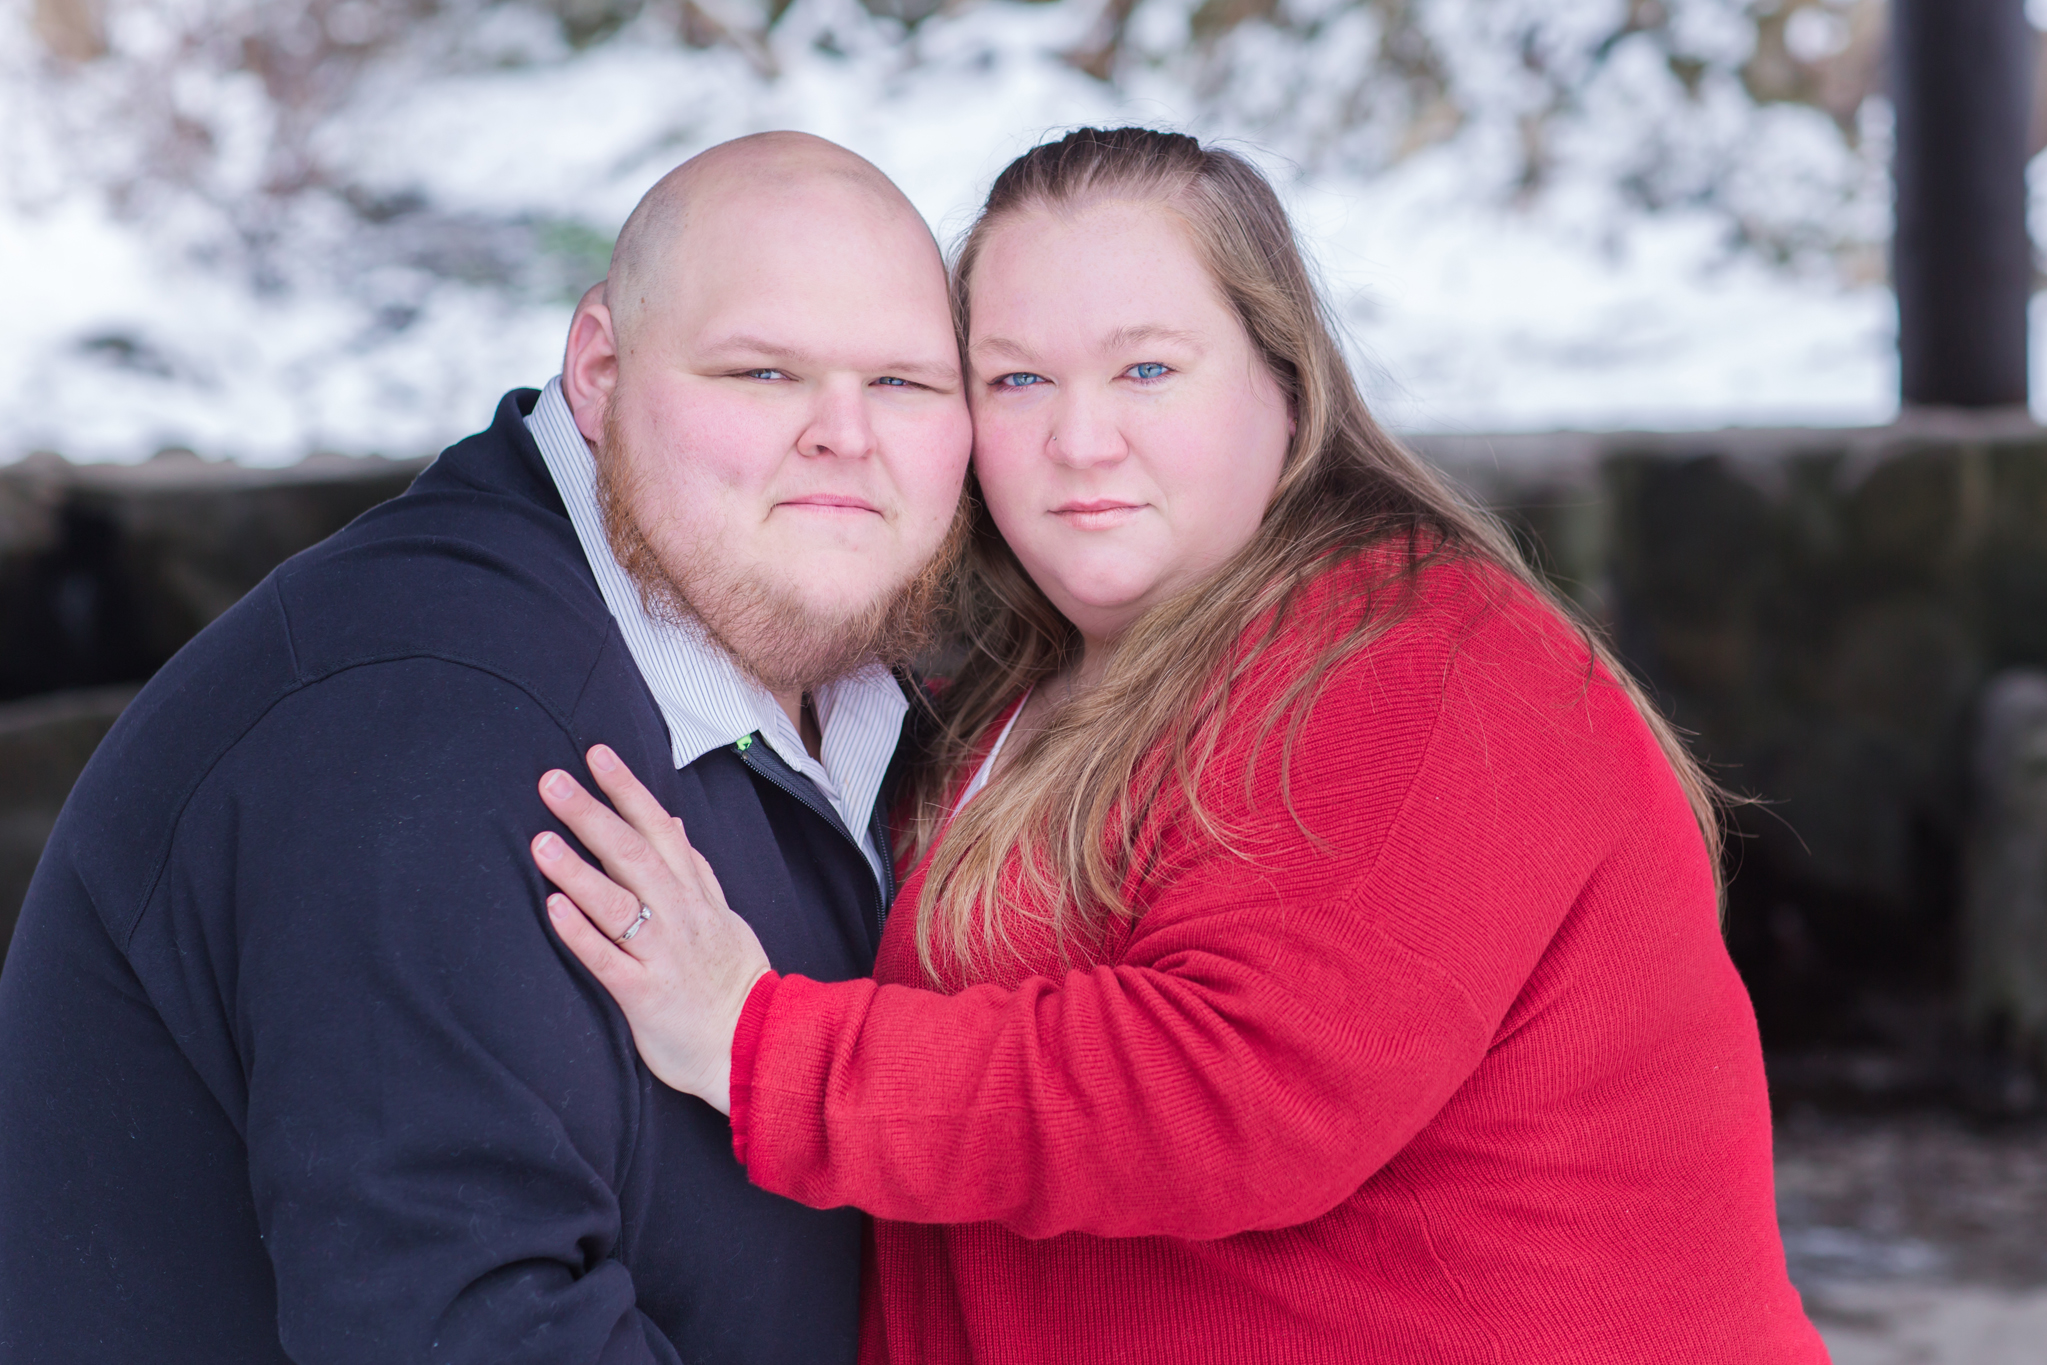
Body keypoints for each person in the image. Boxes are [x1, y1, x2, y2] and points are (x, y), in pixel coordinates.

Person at [532, 128, 1829, 1363]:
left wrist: (755, 1043)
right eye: (1016, 379)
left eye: (1145, 369)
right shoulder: (1021, 687)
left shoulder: (1420, 664)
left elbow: (1229, 1092)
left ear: (1285, 386)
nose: (1078, 439)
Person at [0, 132, 970, 1364]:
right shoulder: (424, 731)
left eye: (905, 383)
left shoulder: (852, 674)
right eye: (763, 372)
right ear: (600, 370)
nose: (845, 432)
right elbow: (468, 1326)